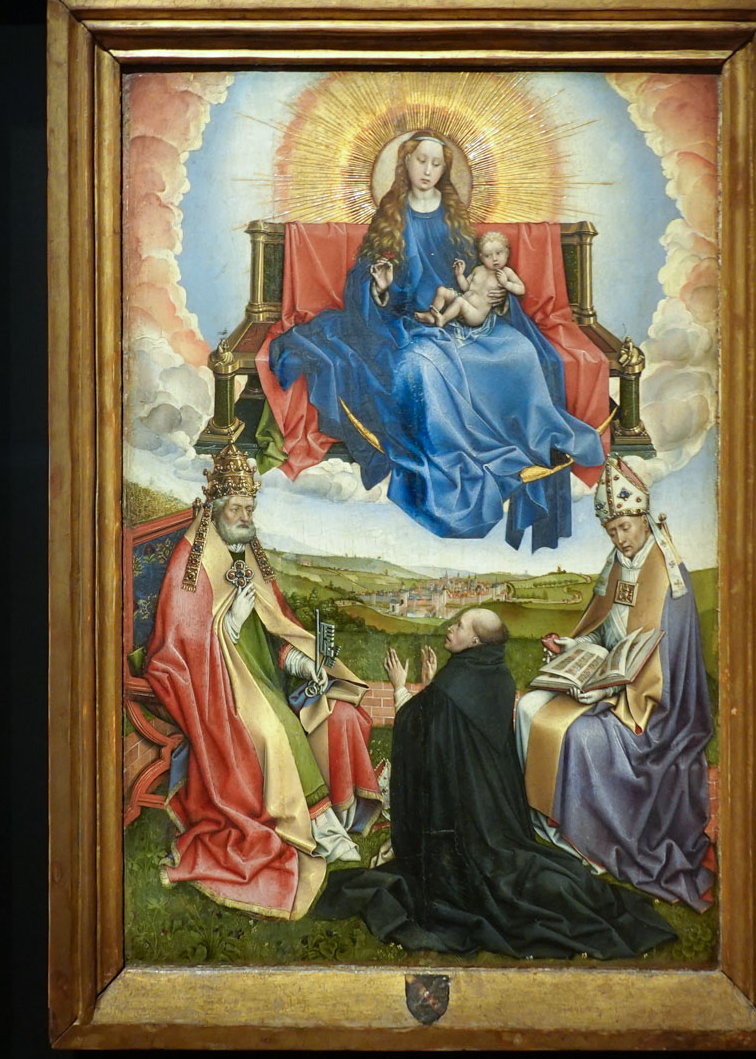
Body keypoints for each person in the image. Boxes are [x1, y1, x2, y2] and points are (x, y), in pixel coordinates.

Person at [267, 131, 604, 552]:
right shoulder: (390, 218)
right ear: (405, 164)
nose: (427, 170)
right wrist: (381, 289)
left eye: (436, 163)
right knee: (420, 367)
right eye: (420, 161)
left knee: (519, 352)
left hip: (462, 320)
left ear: (445, 170)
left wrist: (489, 294)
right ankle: (462, 460)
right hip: (405, 326)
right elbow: (362, 287)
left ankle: (539, 440)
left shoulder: (453, 218)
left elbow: (476, 275)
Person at [312, 607, 676, 959]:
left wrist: (399, 688)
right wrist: (433, 685)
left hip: (461, 823)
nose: (451, 628)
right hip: (495, 817)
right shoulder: (498, 676)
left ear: (474, 642)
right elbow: (450, 726)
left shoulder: (452, 686)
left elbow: (419, 728)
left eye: (460, 626)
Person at [143, 445, 383, 920]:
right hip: (217, 691)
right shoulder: (191, 563)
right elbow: (179, 649)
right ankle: (314, 834)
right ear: (215, 508)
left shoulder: (248, 552)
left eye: (250, 509)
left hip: (266, 682)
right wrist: (229, 624)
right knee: (276, 731)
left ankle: (340, 818)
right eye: (236, 509)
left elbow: (277, 630)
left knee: (338, 713)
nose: (245, 518)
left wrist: (305, 665)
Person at [514, 456, 717, 911]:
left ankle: (587, 840)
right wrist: (573, 645)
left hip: (652, 709)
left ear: (642, 517)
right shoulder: (616, 564)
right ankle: (545, 824)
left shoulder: (667, 575)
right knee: (528, 707)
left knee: (580, 736)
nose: (620, 538)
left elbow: (668, 668)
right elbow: (603, 630)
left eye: (624, 527)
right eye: (612, 531)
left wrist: (608, 689)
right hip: (605, 681)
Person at [413, 230, 526, 329]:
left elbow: (521, 289)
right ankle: (431, 315)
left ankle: (442, 320)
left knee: (459, 301)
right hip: (463, 305)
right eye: (488, 256)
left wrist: (506, 283)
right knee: (442, 290)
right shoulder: (478, 269)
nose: (494, 259)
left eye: (498, 253)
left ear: (507, 253)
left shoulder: (506, 272)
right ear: (481, 257)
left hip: (475, 315)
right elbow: (466, 288)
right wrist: (460, 275)